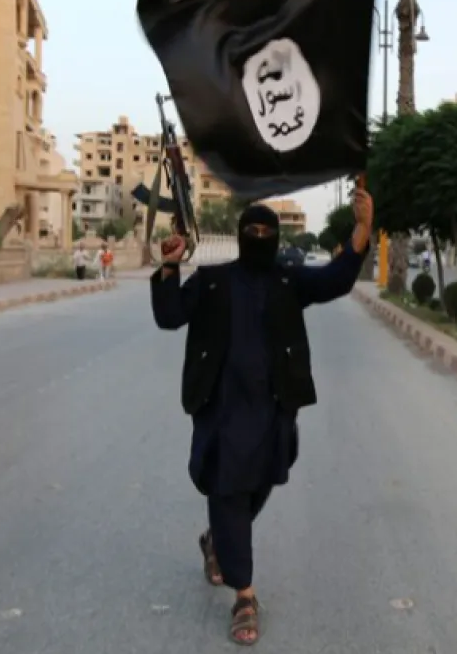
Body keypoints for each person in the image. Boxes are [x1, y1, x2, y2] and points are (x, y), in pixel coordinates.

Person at [151, 181, 373, 645]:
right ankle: (245, 595)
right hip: (222, 411)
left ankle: (217, 540)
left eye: (264, 230)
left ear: (273, 238)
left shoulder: (288, 280)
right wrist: (170, 266)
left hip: (274, 410)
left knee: (264, 479)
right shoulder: (213, 281)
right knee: (229, 490)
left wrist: (362, 229)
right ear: (240, 234)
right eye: (249, 229)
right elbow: (170, 316)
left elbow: (336, 278)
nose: (257, 236)